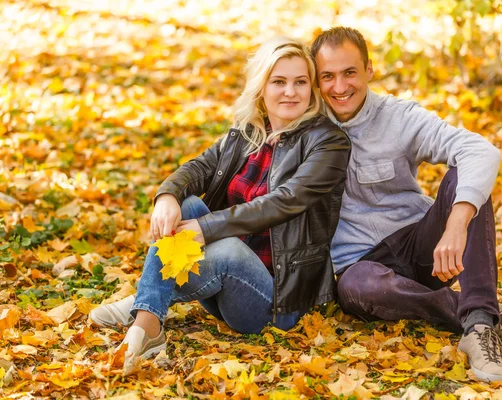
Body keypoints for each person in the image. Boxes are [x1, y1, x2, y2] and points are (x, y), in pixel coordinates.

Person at [89, 36, 351, 374]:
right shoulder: (248, 133)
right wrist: (167, 196)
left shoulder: (329, 142)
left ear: (312, 90)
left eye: (301, 82)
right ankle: (149, 313)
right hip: (223, 283)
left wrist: (205, 228)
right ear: (261, 87)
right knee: (187, 204)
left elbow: (284, 202)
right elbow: (197, 168)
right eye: (279, 81)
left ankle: (144, 311)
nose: (291, 91)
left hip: (275, 300)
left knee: (225, 248)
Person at [311, 27, 502, 382]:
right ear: (317, 82)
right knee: (354, 288)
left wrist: (456, 223)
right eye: (328, 77)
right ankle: (479, 315)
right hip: (363, 263)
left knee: (463, 179)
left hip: (423, 246)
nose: (339, 87)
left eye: (350, 72)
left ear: (369, 70)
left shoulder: (398, 117)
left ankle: (480, 333)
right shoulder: (309, 127)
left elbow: (480, 150)